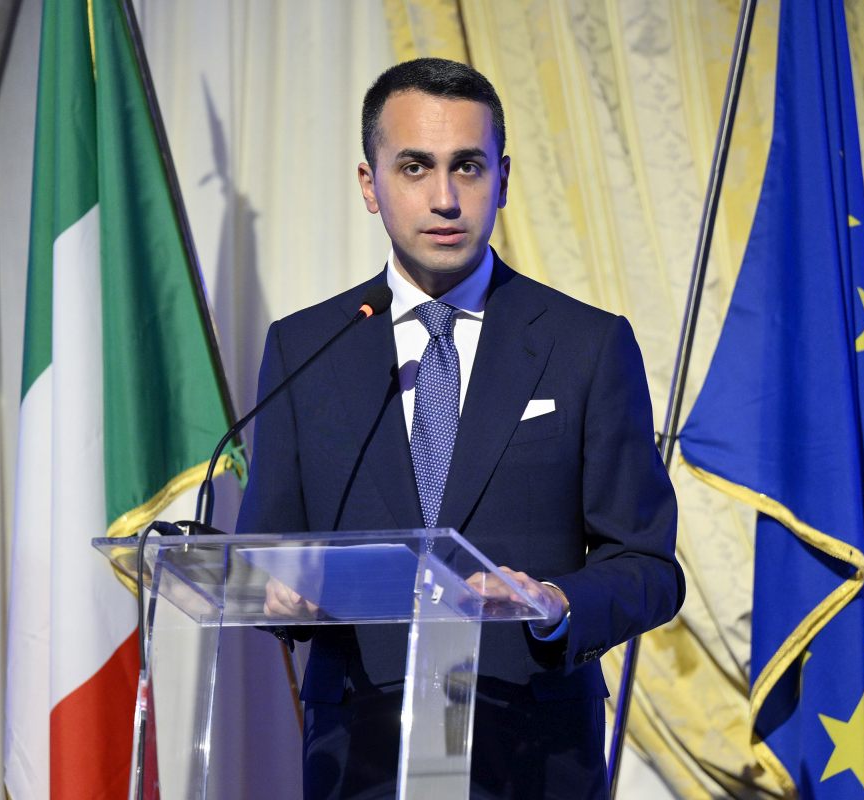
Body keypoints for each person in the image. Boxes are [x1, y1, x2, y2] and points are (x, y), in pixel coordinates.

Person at [236, 57, 684, 799]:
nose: (444, 198)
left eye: (467, 167)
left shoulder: (586, 345)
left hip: (532, 755)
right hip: (360, 758)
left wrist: (554, 603)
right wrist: (277, 590)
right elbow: (265, 555)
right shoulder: (305, 349)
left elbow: (649, 567)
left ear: (502, 179)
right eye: (414, 167)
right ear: (369, 184)